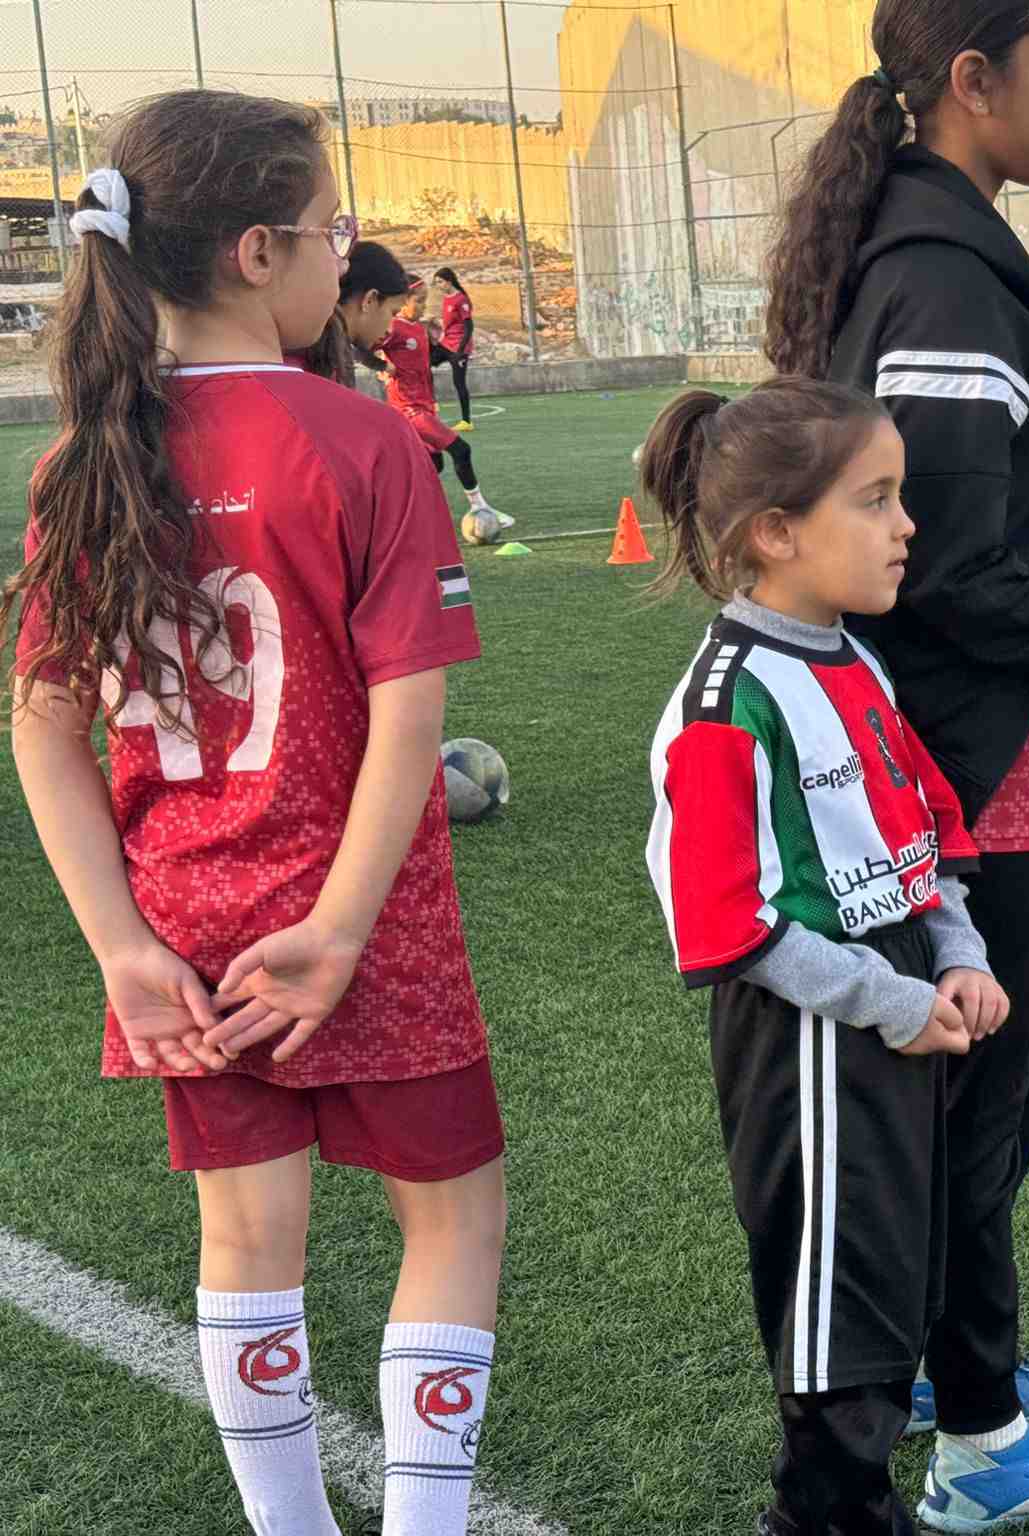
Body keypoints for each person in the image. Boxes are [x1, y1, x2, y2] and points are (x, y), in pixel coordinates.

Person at [3, 90, 507, 1534]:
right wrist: (344, 929)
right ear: (255, 248)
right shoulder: (360, 442)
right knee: (454, 1216)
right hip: (368, 925)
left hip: (181, 926)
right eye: (330, 228)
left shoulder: (81, 460)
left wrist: (118, 947)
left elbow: (45, 728)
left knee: (246, 1237)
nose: (339, 256)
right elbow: (411, 711)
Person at [761, 0, 1029, 1527]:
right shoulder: (939, 274)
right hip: (943, 748)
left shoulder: (952, 243)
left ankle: (950, 1349)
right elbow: (928, 564)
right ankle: (984, 1446)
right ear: (971, 80)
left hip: (975, 735)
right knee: (983, 1068)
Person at [639, 376, 1012, 1536]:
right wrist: (883, 998)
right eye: (877, 500)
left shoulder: (851, 657)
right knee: (835, 1308)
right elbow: (721, 923)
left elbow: (922, 829)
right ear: (776, 532)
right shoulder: (725, 702)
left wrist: (952, 951)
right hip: (810, 1031)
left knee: (894, 1278)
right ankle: (829, 1516)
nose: (907, 526)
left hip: (893, 1000)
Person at [337, 243, 510, 542]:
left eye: (425, 301)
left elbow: (428, 357)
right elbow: (356, 348)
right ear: (403, 303)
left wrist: (452, 355)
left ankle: (410, 517)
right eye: (418, 301)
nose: (422, 307)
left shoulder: (419, 329)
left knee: (433, 464)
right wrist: (381, 365)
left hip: (425, 406)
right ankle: (479, 505)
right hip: (408, 410)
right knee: (461, 450)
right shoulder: (394, 328)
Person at [430, 266, 476, 431]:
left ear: (449, 281)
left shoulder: (461, 299)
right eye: (436, 283)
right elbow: (450, 324)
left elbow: (469, 327)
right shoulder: (447, 298)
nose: (439, 285)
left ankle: (466, 422)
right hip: (447, 343)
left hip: (459, 348)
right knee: (423, 362)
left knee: (459, 383)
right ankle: (431, 402)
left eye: (440, 282)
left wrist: (460, 352)